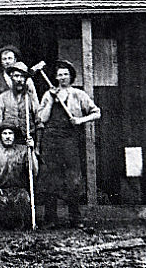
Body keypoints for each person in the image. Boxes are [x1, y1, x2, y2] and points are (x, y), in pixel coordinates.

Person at [37, 60, 101, 229]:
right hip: (51, 139)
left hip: (69, 139)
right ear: (55, 77)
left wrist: (80, 120)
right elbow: (42, 119)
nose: (62, 77)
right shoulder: (48, 94)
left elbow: (96, 113)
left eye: (65, 74)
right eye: (59, 74)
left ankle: (75, 218)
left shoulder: (78, 94)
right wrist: (51, 99)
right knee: (50, 178)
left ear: (71, 76)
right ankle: (51, 219)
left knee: (73, 178)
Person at [0, 123, 38, 230]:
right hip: (1, 190)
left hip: (19, 191)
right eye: (5, 133)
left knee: (23, 199)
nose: (8, 136)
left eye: (10, 133)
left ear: (14, 136)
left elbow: (34, 171)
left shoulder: (24, 150)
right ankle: (2, 223)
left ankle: (20, 223)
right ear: (0, 136)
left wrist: (32, 150)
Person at [0, 62, 40, 139]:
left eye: (22, 76)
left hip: (26, 140)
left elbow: (39, 123)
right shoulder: (2, 98)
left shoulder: (30, 98)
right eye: (16, 76)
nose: (19, 80)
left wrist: (36, 147)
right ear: (11, 77)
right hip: (8, 141)